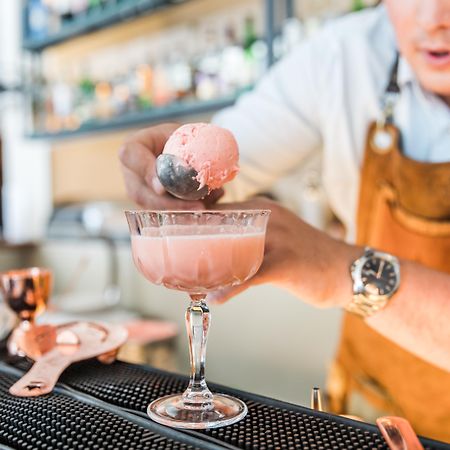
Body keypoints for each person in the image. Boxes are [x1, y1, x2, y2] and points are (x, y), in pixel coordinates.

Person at [119, 0, 450, 442]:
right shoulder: (345, 54)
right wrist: (177, 173)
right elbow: (229, 166)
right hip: (372, 407)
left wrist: (343, 271)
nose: (434, 18)